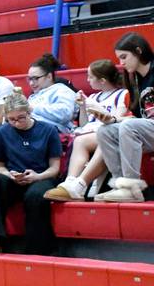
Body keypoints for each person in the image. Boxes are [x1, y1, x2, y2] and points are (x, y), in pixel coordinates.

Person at [0, 92, 62, 255]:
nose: (16, 123)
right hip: (14, 178)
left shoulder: (48, 130)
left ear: (29, 112)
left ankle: (37, 248)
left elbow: (54, 168)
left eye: (21, 118)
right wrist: (10, 175)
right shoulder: (1, 133)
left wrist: (37, 176)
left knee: (35, 195)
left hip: (41, 177)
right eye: (11, 119)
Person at [44, 59, 129, 201]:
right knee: (79, 140)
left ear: (102, 80)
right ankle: (70, 182)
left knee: (84, 140)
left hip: (109, 131)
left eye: (90, 77)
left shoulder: (122, 94)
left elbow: (117, 118)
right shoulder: (93, 97)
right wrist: (83, 106)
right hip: (91, 133)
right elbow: (85, 124)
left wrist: (99, 111)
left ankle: (78, 185)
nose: (87, 80)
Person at [93, 32, 154, 203]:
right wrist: (112, 120)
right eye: (119, 58)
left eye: (124, 57)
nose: (121, 63)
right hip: (148, 129)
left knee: (129, 126)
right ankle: (121, 187)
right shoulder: (134, 78)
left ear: (138, 51)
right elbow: (137, 116)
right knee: (105, 131)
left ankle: (130, 187)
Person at [26, 53, 77, 133]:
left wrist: (33, 108)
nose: (31, 83)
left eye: (35, 78)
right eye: (29, 79)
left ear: (49, 76)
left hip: (52, 131)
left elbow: (65, 114)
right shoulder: (33, 97)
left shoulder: (61, 90)